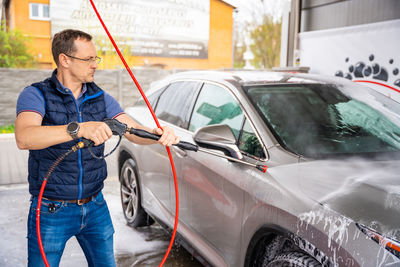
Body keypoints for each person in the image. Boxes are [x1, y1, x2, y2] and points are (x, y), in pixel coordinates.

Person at [15, 29, 179, 267]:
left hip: (95, 207)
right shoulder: (36, 94)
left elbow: (133, 131)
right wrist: (78, 129)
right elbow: (24, 137)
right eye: (89, 59)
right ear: (65, 60)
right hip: (51, 210)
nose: (95, 65)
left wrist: (156, 134)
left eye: (96, 58)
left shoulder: (100, 97)